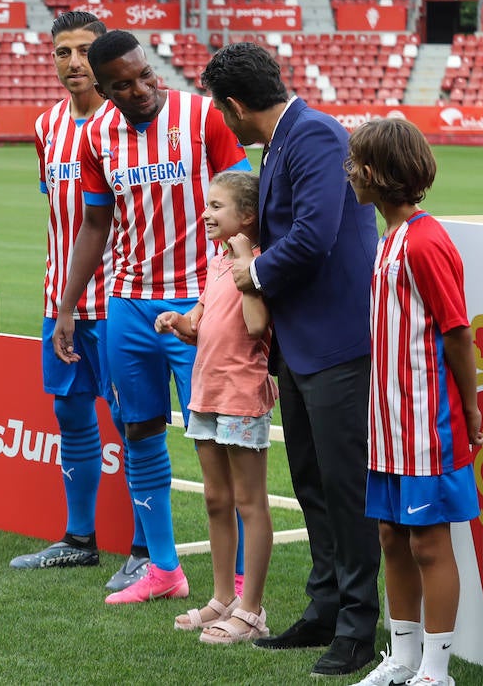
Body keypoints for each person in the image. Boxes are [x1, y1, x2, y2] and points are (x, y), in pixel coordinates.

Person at [199, 42, 380, 677]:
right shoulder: (285, 140)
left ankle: (359, 627)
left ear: (234, 106)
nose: (224, 122)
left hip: (337, 341)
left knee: (344, 486)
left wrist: (251, 275)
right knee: (311, 481)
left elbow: (313, 235)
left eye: (222, 112)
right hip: (303, 343)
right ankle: (324, 610)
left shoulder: (315, 136)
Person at [51, 29, 249, 605]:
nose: (141, 89)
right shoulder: (97, 138)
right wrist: (69, 306)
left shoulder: (202, 119)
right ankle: (163, 570)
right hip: (128, 306)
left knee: (218, 439)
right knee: (138, 431)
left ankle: (236, 580)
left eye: (146, 75)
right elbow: (94, 226)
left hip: (200, 304)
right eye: (125, 85)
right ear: (106, 91)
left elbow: (246, 206)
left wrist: (224, 292)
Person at [8, 10, 151, 591]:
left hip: (121, 299)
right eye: (62, 52)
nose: (74, 63)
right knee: (71, 416)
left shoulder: (131, 122)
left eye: (84, 51)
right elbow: (64, 212)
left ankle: (147, 546)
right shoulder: (46, 127)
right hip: (61, 300)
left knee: (133, 422)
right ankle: (79, 539)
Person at [339, 118, 483, 686]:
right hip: (389, 422)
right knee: (391, 538)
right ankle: (401, 659)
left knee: (428, 542)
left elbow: (457, 331)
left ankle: (436, 670)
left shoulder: (424, 241)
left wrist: (469, 410)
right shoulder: (387, 239)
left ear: (374, 173)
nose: (349, 172)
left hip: (429, 422)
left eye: (355, 164)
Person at [156, 171, 274, 644]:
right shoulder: (219, 261)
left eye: (216, 206)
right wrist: (178, 322)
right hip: (205, 393)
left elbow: (254, 325)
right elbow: (200, 323)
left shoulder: (259, 262)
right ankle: (223, 598)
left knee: (250, 502)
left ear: (247, 216)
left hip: (242, 396)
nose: (206, 213)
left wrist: (247, 262)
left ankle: (252, 610)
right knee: (216, 499)